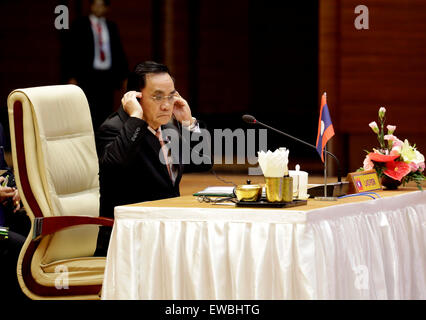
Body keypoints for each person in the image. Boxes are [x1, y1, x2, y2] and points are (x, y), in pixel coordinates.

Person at [94, 61, 212, 254]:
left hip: (165, 232)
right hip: (130, 240)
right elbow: (115, 166)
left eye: (171, 96)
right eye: (158, 97)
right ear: (136, 98)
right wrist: (136, 117)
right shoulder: (115, 128)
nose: (166, 105)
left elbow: (202, 161)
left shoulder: (167, 127)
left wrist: (189, 123)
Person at [64, 0, 128, 131]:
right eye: (96, 4)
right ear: (91, 6)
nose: (98, 8)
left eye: (101, 5)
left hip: (107, 76)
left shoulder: (111, 26)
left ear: (106, 8)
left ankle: (103, 142)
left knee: (106, 111)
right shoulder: (80, 25)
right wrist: (71, 76)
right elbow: (71, 52)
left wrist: (123, 76)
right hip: (87, 76)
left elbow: (118, 52)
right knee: (87, 110)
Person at [0, 122, 30, 300]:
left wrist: (13, 188)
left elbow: (3, 169)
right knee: (22, 248)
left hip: (3, 222)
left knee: (37, 238)